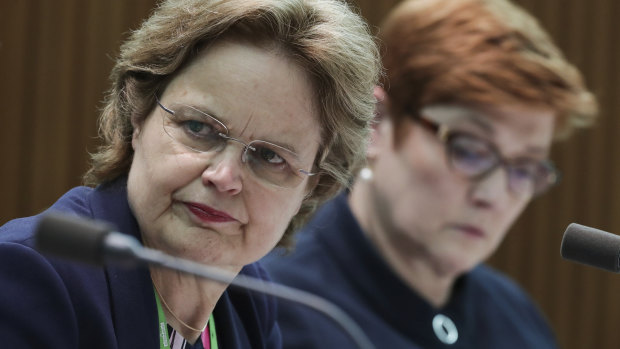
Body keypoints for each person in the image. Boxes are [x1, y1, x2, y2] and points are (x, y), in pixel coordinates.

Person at [0, 0, 380, 348]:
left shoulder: (250, 299)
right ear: (138, 114)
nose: (224, 176)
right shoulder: (30, 277)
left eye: (268, 156)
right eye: (199, 128)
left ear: (314, 185)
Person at [262, 0, 598, 347]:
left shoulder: (518, 320)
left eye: (525, 167)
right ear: (376, 123)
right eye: (470, 150)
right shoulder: (273, 306)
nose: (494, 197)